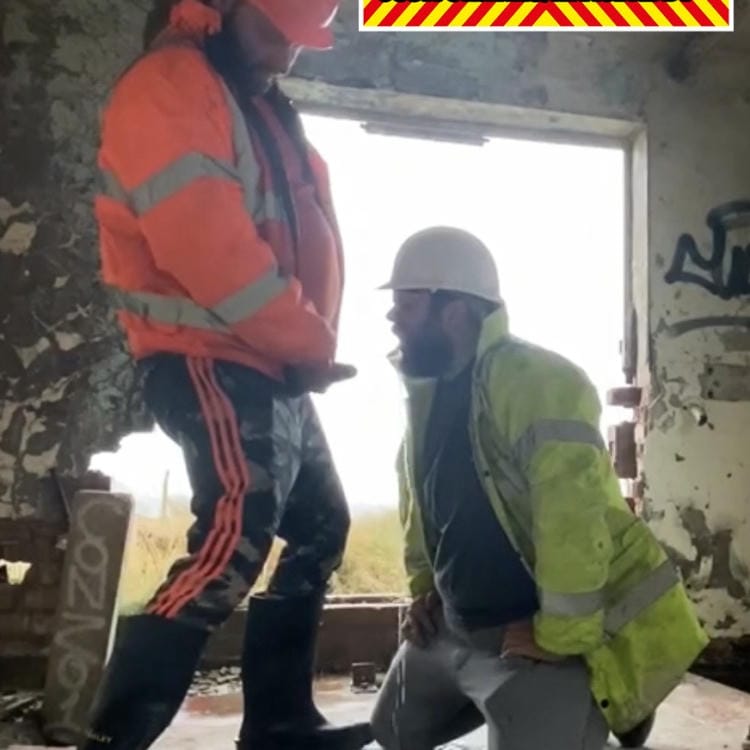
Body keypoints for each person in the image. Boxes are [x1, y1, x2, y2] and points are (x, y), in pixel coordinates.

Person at [84, 1, 373, 748]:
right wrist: (306, 340)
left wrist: (300, 348)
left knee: (320, 527)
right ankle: (114, 738)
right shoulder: (171, 86)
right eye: (274, 34)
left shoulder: (250, 102)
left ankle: (279, 724)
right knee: (232, 539)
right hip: (207, 351)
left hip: (267, 358)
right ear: (220, 7)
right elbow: (211, 251)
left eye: (298, 44)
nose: (284, 57)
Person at [371, 226, 709, 750]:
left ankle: (614, 697)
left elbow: (571, 520)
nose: (393, 317)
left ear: (454, 311)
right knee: (392, 730)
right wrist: (425, 591)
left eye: (407, 304)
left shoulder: (540, 383)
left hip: (533, 629)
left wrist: (560, 637)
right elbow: (423, 501)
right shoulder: (427, 395)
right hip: (458, 625)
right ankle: (524, 702)